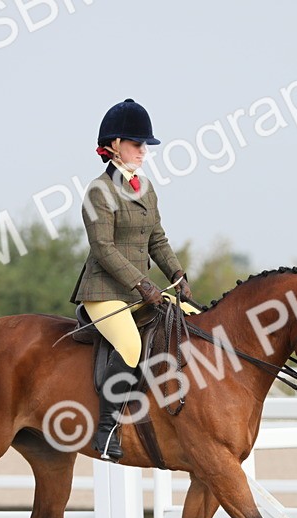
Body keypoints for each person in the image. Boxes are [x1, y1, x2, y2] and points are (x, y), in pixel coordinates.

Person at [70, 98, 199, 461]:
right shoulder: (99, 191)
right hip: (104, 290)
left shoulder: (145, 187)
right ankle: (106, 429)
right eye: (136, 144)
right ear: (113, 146)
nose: (143, 151)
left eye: (145, 145)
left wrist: (176, 273)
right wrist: (142, 284)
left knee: (191, 319)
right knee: (129, 346)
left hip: (140, 289)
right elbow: (104, 248)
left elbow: (157, 238)